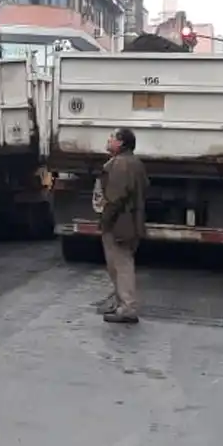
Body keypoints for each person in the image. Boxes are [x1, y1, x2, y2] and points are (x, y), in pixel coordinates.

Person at [98, 127, 148, 325]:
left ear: (121, 143)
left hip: (121, 223)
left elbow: (115, 198)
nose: (109, 140)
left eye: (112, 137)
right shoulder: (136, 163)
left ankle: (127, 308)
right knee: (120, 263)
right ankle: (122, 304)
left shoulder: (120, 165)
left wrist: (105, 221)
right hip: (132, 220)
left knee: (120, 264)